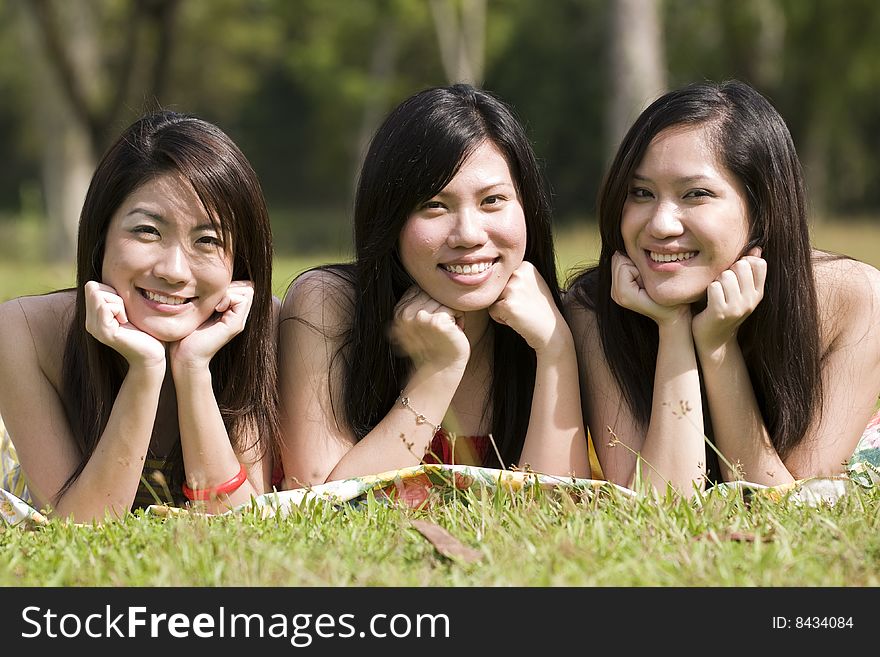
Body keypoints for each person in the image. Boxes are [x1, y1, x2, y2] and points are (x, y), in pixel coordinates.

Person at [565, 80, 880, 496]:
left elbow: (794, 505)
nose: (660, 224)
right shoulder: (595, 307)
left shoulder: (855, 300)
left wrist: (717, 347)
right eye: (641, 193)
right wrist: (672, 327)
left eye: (696, 194)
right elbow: (660, 501)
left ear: (762, 207)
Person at [278, 83, 590, 488]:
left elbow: (556, 510)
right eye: (434, 206)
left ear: (527, 207)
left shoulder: (562, 323)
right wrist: (437, 373)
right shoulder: (327, 304)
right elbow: (320, 503)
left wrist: (555, 351)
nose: (468, 234)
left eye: (492, 200)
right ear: (389, 217)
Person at [0, 110, 280, 521]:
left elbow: (239, 522)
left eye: (207, 240)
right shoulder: (23, 331)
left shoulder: (260, 327)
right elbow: (80, 526)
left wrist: (194, 367)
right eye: (148, 231)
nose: (173, 270)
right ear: (101, 237)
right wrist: (145, 371)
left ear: (238, 263)